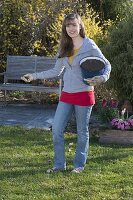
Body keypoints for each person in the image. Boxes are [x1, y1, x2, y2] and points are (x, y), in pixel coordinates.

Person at [22, 13, 111, 173]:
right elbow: (56, 71)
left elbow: (107, 64)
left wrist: (101, 78)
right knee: (56, 129)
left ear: (80, 26)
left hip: (84, 93)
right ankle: (59, 165)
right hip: (67, 94)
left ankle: (79, 165)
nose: (71, 28)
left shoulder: (89, 45)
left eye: (74, 25)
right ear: (65, 28)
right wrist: (34, 75)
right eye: (68, 25)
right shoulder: (64, 46)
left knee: (82, 131)